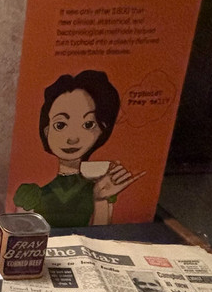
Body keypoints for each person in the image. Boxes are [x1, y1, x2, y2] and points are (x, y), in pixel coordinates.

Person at [13, 70, 144, 227]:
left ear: (101, 130)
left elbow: (100, 236)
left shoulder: (100, 188)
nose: (72, 138)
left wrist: (100, 199)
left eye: (88, 124)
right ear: (46, 130)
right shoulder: (32, 193)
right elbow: (21, 235)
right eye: (60, 125)